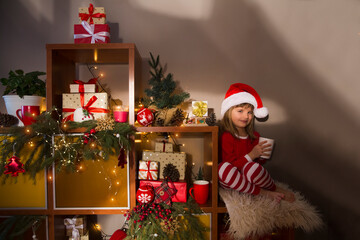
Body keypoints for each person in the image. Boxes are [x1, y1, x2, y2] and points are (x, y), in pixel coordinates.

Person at [218, 83, 295, 203]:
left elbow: (257, 164)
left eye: (249, 112)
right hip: (232, 182)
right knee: (222, 168)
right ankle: (264, 193)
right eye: (240, 111)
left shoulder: (254, 137)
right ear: (229, 112)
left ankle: (273, 188)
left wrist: (261, 154)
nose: (246, 116)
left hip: (249, 180)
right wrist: (251, 155)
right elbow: (231, 166)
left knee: (251, 168)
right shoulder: (227, 137)